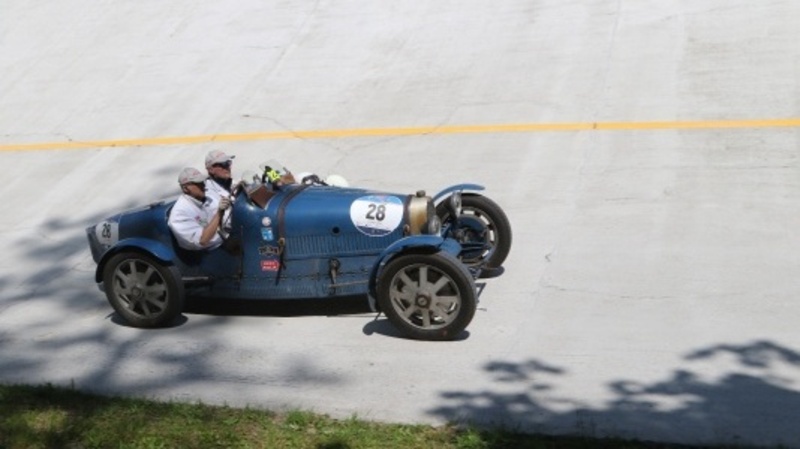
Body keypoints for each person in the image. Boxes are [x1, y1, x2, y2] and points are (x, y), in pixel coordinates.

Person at [168, 167, 230, 251]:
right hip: (209, 253)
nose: (203, 186)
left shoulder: (208, 196)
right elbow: (202, 241)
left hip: (226, 240)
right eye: (198, 183)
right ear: (185, 188)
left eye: (202, 182)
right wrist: (219, 213)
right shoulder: (179, 215)